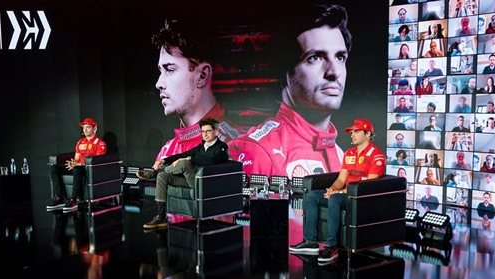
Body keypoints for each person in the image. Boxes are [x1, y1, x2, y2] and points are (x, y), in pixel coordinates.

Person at [229, 4, 351, 177]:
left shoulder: (344, 157)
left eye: (340, 57)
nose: (334, 72)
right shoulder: (256, 151)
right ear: (283, 72)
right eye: (314, 58)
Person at [288, 118, 384, 264]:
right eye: (351, 132)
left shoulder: (377, 155)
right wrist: (331, 189)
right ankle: (310, 241)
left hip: (358, 197)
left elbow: (369, 185)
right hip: (343, 193)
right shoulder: (349, 153)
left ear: (368, 134)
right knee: (312, 196)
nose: (352, 135)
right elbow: (341, 179)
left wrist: (338, 193)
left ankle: (332, 246)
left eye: (356, 131)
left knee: (334, 199)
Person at [147, 19, 239, 163]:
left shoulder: (234, 146)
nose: (159, 83)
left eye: (170, 70)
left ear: (202, 75)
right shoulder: (167, 150)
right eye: (160, 71)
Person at [140, 118, 229, 229]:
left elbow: (210, 161)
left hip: (205, 183)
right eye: (203, 131)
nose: (205, 134)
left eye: (208, 131)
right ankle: (160, 216)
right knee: (163, 177)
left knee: (185, 163)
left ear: (215, 131)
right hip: (192, 180)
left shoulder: (222, 148)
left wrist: (189, 159)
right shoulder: (201, 147)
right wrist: (164, 160)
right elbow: (182, 155)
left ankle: (154, 173)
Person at [47, 117, 107, 212]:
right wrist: (72, 163)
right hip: (78, 166)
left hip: (89, 170)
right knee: (54, 168)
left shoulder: (100, 143)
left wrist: (78, 164)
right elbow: (76, 158)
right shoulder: (80, 142)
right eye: (84, 127)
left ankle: (74, 200)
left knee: (77, 169)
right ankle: (59, 197)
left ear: (94, 129)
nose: (85, 129)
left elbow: (97, 161)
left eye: (88, 127)